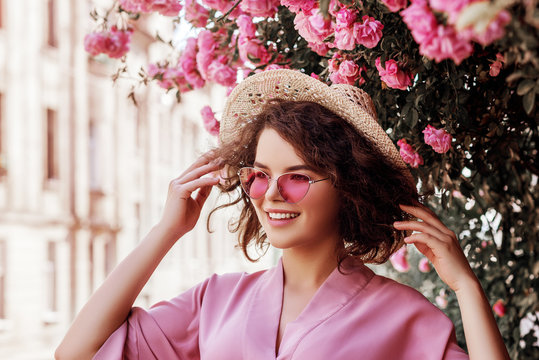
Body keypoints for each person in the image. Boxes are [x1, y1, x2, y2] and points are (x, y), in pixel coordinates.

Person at [55, 69, 509, 360]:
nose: (271, 194)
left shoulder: (406, 317)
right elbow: (76, 352)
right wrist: (166, 230)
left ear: (349, 187)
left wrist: (466, 287)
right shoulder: (214, 300)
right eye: (258, 174)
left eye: (297, 177)